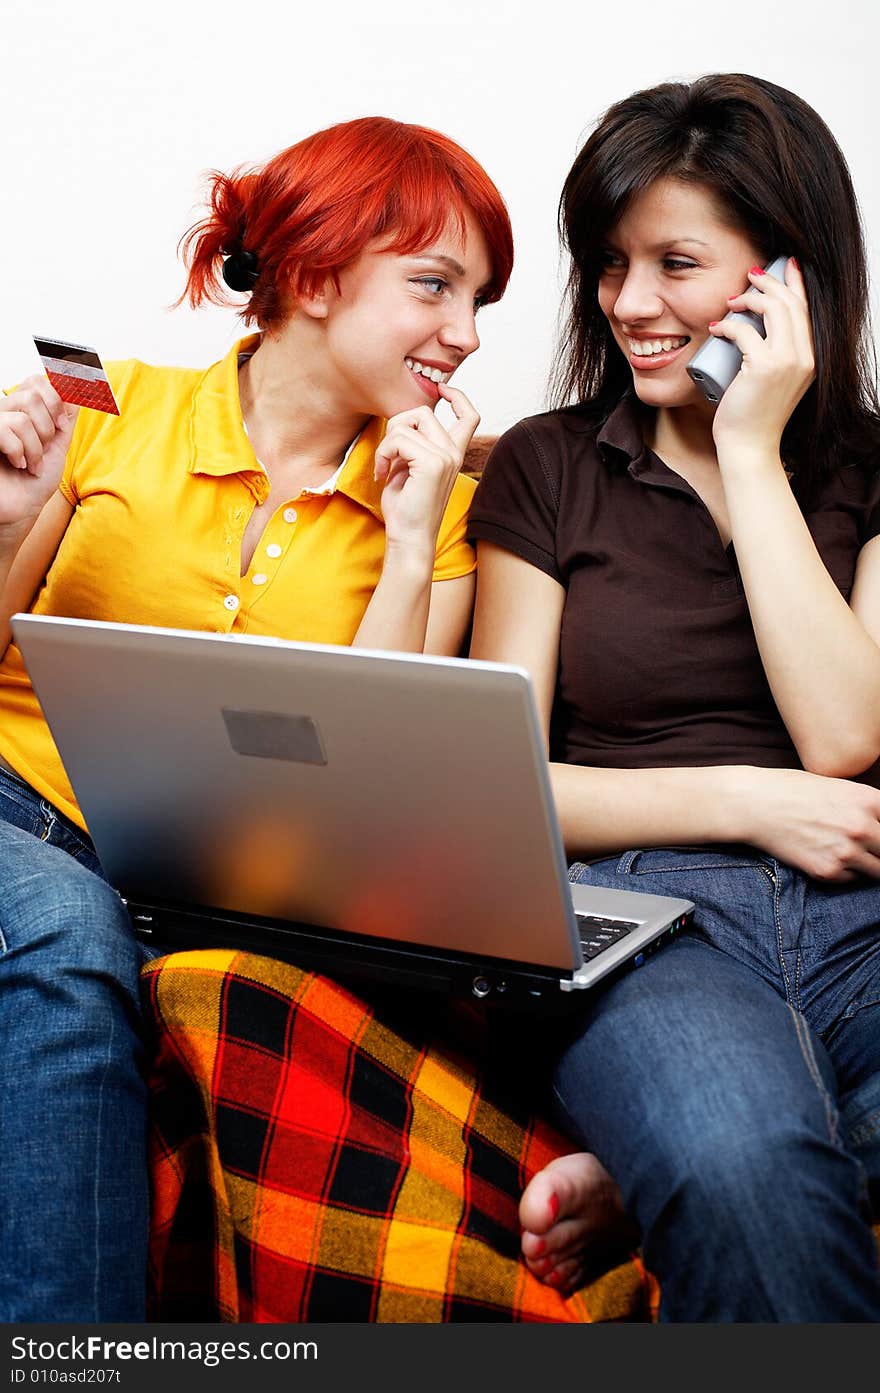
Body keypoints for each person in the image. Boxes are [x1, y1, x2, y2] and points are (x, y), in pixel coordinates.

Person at [0, 114, 513, 1321]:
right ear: (317, 271)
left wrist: (401, 542)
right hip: (17, 821)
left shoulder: (438, 508)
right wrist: (12, 514)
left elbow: (377, 789)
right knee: (66, 931)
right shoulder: (108, 406)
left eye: (481, 297)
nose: (469, 333)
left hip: (213, 882)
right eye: (435, 285)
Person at [467, 73, 880, 1321]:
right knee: (739, 1163)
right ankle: (685, 1164)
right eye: (608, 263)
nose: (629, 304)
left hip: (859, 906)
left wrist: (748, 447)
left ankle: (642, 1180)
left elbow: (844, 730)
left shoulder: (867, 465)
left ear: (783, 279)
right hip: (642, 916)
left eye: (675, 264)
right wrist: (746, 803)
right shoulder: (549, 465)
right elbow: (494, 786)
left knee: (739, 1154)